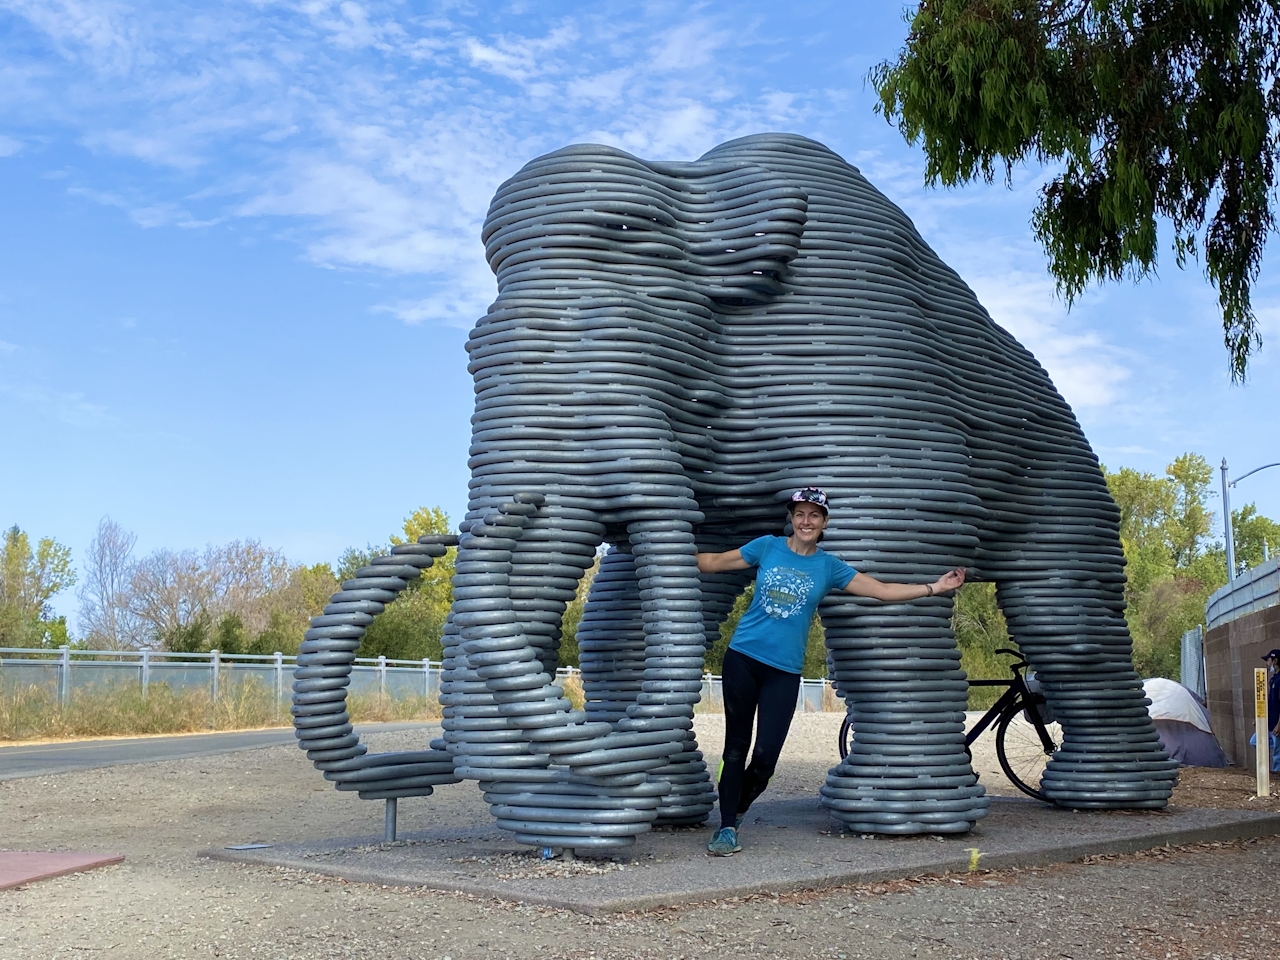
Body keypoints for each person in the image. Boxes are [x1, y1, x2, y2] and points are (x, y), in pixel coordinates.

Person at [695, 486, 966, 857]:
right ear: (791, 518)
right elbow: (713, 562)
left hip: (784, 671)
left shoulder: (828, 567)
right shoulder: (766, 547)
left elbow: (882, 590)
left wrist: (936, 587)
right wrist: (663, 552)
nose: (806, 521)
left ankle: (738, 808)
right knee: (735, 748)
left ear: (824, 522)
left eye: (814, 515)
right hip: (742, 656)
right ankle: (726, 827)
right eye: (800, 514)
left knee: (765, 760)